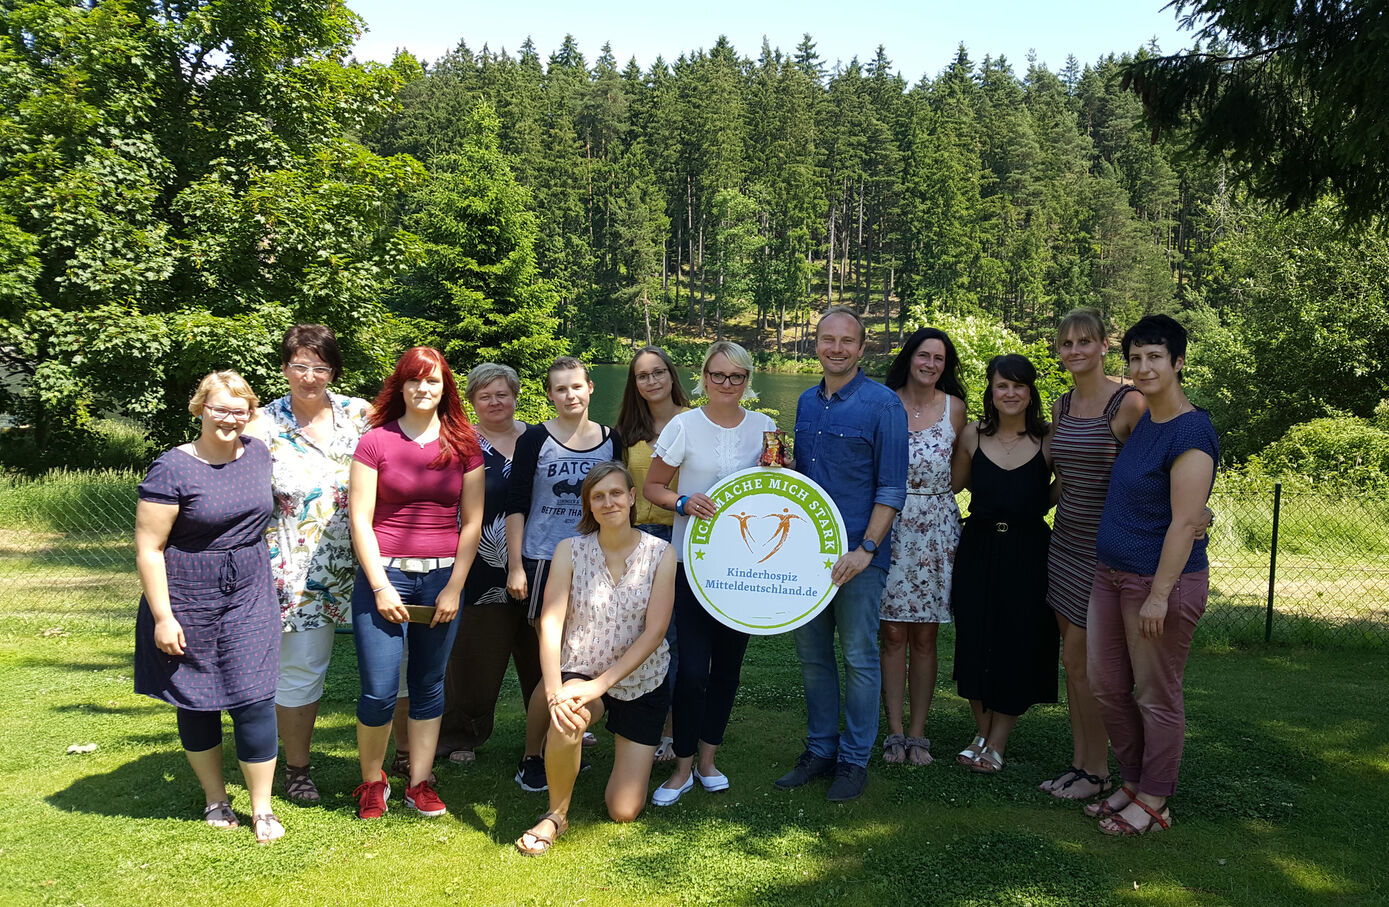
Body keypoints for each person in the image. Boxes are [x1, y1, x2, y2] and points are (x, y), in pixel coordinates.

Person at [133, 371, 284, 843]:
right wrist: (163, 616)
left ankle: (262, 808)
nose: (229, 418)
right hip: (187, 593)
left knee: (256, 698)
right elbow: (149, 548)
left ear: (251, 414)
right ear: (200, 408)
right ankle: (216, 798)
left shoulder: (258, 452)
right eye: (219, 408)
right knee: (197, 700)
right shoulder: (171, 468)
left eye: (239, 410)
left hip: (251, 588)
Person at [1084, 315, 1217, 836]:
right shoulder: (1145, 423)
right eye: (1135, 358)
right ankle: (1135, 782)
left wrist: (1160, 596)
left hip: (1157, 586)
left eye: (1154, 357)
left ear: (1178, 363)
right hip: (1109, 576)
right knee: (1107, 688)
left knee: (1155, 695)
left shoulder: (1192, 429)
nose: (1143, 367)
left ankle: (1157, 800)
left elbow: (1186, 520)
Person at [776, 306, 907, 802]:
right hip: (807, 557)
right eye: (827, 339)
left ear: (862, 346)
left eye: (846, 341)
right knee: (812, 658)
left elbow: (892, 488)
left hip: (860, 557)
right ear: (816, 344)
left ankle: (854, 760)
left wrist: (867, 549)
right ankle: (820, 750)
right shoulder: (808, 403)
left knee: (858, 656)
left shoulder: (884, 405)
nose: (836, 348)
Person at [348, 347, 484, 820]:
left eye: (433, 382)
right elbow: (360, 521)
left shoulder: (464, 443)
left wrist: (454, 586)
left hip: (442, 578)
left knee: (428, 685)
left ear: (444, 388)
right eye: (414, 381)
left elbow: (472, 522)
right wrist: (381, 586)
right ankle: (372, 782)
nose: (423, 389)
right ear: (400, 386)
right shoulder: (375, 442)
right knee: (379, 689)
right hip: (384, 576)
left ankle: (420, 782)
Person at [514, 462, 676, 856]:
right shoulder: (570, 550)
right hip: (582, 665)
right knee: (568, 715)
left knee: (623, 810)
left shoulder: (662, 553)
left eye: (616, 493)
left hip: (643, 680)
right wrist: (556, 689)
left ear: (632, 496)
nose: (608, 503)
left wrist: (600, 685)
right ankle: (556, 813)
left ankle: (626, 753)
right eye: (598, 496)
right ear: (588, 504)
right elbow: (550, 621)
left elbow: (655, 632)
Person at [244, 324, 372, 804]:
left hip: (368, 565)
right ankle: (297, 768)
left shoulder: (360, 415)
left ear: (333, 371)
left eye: (320, 367)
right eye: (300, 365)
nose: (310, 376)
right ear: (284, 368)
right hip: (297, 574)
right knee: (302, 670)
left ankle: (402, 759)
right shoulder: (262, 424)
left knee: (392, 663)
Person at [644, 341, 776, 804]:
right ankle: (680, 767)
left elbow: (774, 490)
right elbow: (653, 487)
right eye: (718, 375)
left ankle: (707, 761)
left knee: (727, 670)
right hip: (691, 565)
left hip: (743, 571)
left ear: (747, 380)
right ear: (703, 377)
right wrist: (682, 501)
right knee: (692, 671)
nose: (726, 384)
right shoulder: (684, 425)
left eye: (736, 377)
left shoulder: (766, 428)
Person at [1038, 309, 1145, 800]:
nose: (1075, 350)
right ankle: (1081, 764)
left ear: (1105, 345)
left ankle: (1098, 771)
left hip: (1105, 552)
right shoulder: (1061, 408)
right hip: (1064, 544)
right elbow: (1059, 481)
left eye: (1085, 341)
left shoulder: (1129, 404)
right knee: (1072, 663)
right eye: (1066, 343)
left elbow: (1155, 473)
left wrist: (1193, 514)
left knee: (1084, 663)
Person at [508, 356, 624, 792]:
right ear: (550, 395)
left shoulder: (612, 440)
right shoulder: (535, 438)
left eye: (576, 387)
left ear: (590, 388)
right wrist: (516, 564)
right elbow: (517, 502)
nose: (570, 395)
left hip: (594, 561)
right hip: (543, 559)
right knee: (553, 661)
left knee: (582, 656)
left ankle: (566, 733)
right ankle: (532, 756)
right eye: (560, 389)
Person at [950, 354, 1058, 775]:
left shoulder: (1050, 439)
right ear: (990, 393)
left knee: (1017, 641)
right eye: (1001, 386)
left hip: (1030, 550)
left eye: (1019, 385)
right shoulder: (972, 435)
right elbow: (958, 484)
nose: (1010, 393)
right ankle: (981, 731)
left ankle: (997, 741)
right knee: (974, 638)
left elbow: (1060, 491)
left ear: (1030, 392)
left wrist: (1023, 509)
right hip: (977, 546)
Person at [435, 363, 541, 764]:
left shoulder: (539, 438)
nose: (496, 401)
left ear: (515, 395)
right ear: (473, 401)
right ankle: (462, 734)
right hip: (479, 567)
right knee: (475, 658)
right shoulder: (459, 443)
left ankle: (551, 728)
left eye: (502, 393)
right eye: (486, 395)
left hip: (537, 564)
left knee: (541, 654)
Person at [877, 328, 968, 767]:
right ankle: (894, 731)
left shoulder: (956, 410)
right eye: (924, 355)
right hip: (888, 523)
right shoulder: (882, 402)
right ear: (909, 357)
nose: (931, 364)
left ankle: (918, 733)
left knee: (926, 634)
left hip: (934, 529)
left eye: (940, 358)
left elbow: (961, 475)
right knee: (892, 631)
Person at [615, 345, 689, 761]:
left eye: (658, 371)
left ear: (670, 374)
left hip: (681, 538)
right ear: (635, 384)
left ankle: (671, 729)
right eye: (643, 375)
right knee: (636, 632)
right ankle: (634, 717)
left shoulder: (695, 422)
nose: (652, 381)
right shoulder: (626, 431)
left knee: (674, 637)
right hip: (637, 540)